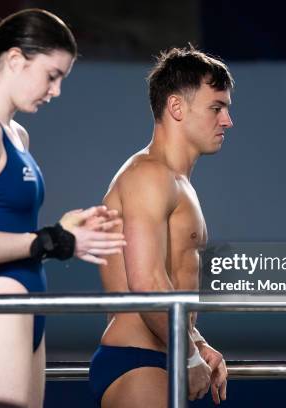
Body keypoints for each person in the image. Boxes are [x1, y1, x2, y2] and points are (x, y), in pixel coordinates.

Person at [0, 9, 126, 408]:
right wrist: (53, 239)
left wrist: (64, 232)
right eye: (52, 75)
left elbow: (15, 229)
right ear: (14, 60)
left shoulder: (16, 134)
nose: (55, 91)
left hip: (25, 305)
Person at [89, 46, 234, 407]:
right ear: (176, 107)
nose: (227, 120)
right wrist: (188, 356)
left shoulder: (176, 182)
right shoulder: (149, 175)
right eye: (216, 108)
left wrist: (195, 342)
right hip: (137, 363)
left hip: (160, 355)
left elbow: (167, 280)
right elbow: (146, 282)